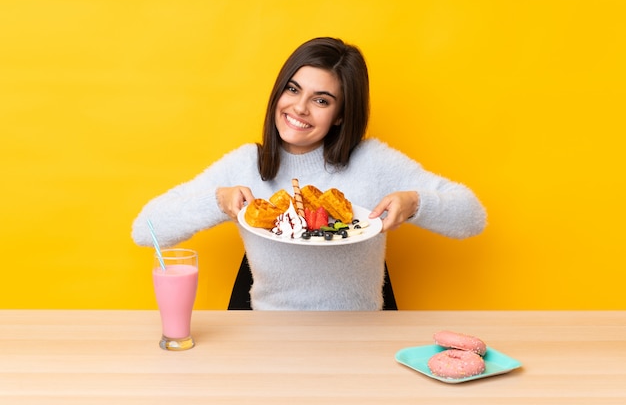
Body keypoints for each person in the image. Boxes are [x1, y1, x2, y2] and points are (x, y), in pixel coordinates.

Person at [131, 37, 486, 311]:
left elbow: (473, 217)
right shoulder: (245, 164)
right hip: (268, 343)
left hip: (360, 343)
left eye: (321, 100)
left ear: (342, 115)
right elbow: (145, 229)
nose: (298, 108)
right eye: (293, 89)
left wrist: (415, 202)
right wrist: (218, 201)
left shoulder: (372, 161)